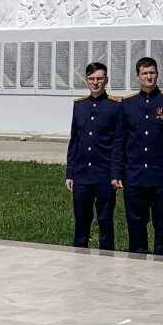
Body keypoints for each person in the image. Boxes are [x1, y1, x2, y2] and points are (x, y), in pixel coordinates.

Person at [114, 56, 163, 255]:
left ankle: (162, 261)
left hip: (160, 176)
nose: (148, 77)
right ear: (138, 76)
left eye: (152, 73)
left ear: (157, 74)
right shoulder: (127, 104)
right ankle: (137, 260)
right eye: (144, 73)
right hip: (134, 176)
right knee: (135, 224)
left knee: (162, 224)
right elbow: (120, 141)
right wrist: (116, 172)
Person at [65, 62, 120, 249]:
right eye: (91, 79)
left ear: (106, 80)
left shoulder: (115, 106)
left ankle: (106, 256)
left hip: (104, 174)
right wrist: (70, 172)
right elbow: (75, 140)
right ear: (86, 81)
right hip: (82, 173)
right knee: (81, 220)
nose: (95, 83)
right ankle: (79, 256)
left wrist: (115, 173)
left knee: (105, 220)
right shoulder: (79, 106)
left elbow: (117, 143)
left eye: (99, 79)